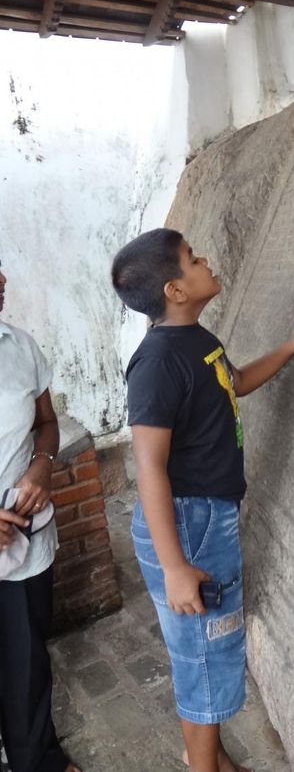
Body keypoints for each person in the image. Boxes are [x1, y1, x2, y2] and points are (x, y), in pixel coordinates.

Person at [111, 229, 294, 772]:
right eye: (192, 258)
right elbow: (149, 468)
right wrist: (175, 565)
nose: (205, 260)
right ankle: (203, 766)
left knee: (204, 649)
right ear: (175, 290)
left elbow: (236, 382)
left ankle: (206, 754)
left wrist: (292, 344)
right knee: (206, 655)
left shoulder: (198, 341)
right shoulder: (158, 363)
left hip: (205, 518)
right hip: (189, 525)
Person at [0, 262, 81, 772]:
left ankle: (37, 760)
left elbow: (47, 424)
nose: (2, 280)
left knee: (25, 660)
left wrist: (41, 468)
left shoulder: (19, 346)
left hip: (22, 543)